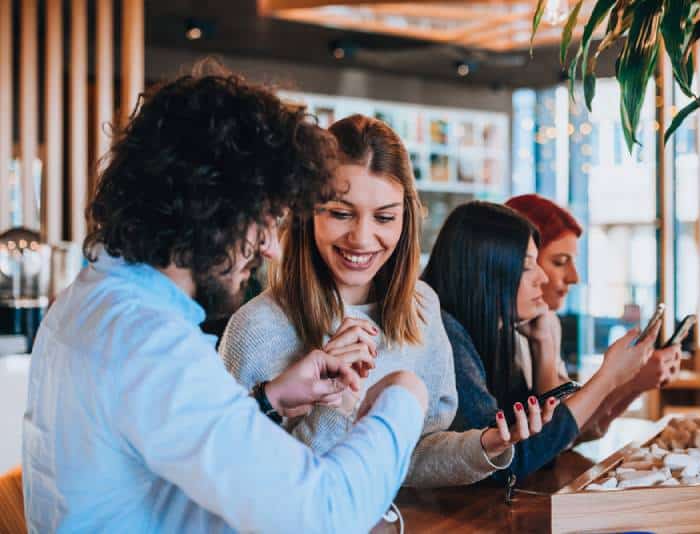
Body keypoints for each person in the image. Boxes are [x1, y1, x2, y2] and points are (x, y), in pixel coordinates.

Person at [22, 68, 429, 534]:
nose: (271, 249)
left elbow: (158, 448)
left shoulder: (89, 299)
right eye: (262, 223)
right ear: (212, 211)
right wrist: (402, 397)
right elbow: (321, 513)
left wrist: (269, 401)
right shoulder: (148, 343)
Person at [221, 115, 554, 488]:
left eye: (384, 217)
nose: (362, 238)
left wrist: (486, 446)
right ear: (306, 215)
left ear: (405, 219)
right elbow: (248, 487)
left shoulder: (422, 308)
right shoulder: (256, 330)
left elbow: (410, 454)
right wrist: (338, 406)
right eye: (341, 213)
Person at [421, 201, 659, 483]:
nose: (542, 278)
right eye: (526, 267)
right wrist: (608, 377)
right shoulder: (445, 336)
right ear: (486, 270)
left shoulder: (499, 335)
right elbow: (507, 459)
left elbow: (545, 439)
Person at [506, 193, 682, 439]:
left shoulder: (547, 323)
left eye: (572, 262)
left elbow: (587, 429)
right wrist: (626, 380)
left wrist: (634, 383)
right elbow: (552, 441)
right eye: (559, 262)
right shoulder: (500, 332)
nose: (574, 277)